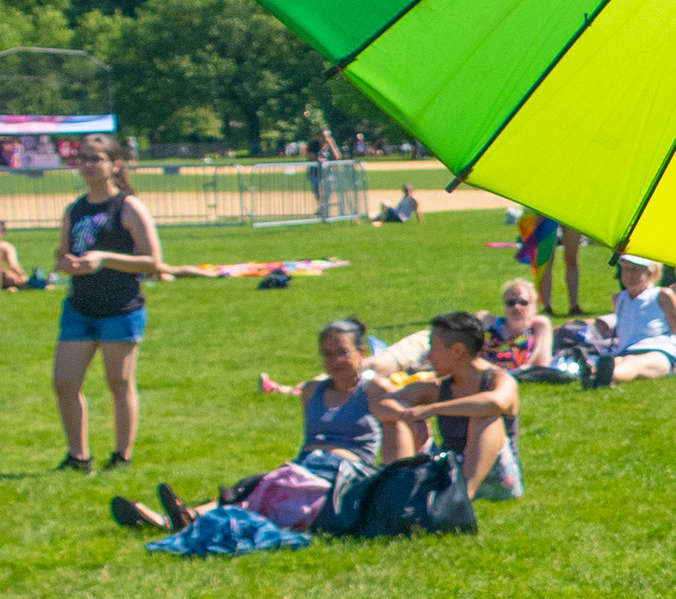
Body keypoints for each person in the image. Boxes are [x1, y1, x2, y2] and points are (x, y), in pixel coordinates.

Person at [114, 317, 382, 534]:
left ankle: (179, 518)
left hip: (342, 476)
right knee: (257, 488)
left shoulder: (373, 390)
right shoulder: (312, 391)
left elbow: (407, 423)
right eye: (327, 354)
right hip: (306, 467)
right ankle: (177, 518)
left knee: (258, 492)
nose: (335, 361)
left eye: (342, 353)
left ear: (361, 352)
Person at [53, 134, 164, 474]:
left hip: (120, 308)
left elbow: (152, 262)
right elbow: (60, 253)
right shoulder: (75, 209)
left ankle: (121, 456)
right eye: (82, 158)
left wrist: (104, 259)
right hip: (80, 307)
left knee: (119, 384)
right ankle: (78, 457)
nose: (87, 164)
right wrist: (65, 263)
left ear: (114, 164)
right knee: (65, 383)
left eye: (95, 158)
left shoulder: (128, 207)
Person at [372, 312, 522, 500]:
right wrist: (406, 415)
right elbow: (380, 404)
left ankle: (463, 497)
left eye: (433, 347)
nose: (428, 355)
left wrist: (433, 409)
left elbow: (495, 402)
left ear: (457, 350)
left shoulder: (499, 380)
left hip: (497, 476)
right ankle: (400, 495)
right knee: (396, 420)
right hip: (450, 468)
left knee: (485, 417)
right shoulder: (438, 387)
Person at [590, 255, 676, 383]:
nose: (629, 275)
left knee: (633, 363)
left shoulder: (662, 296)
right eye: (625, 269)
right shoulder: (619, 299)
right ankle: (594, 376)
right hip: (626, 351)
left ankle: (606, 377)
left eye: (634, 270)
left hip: (658, 351)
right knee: (617, 361)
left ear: (649, 272)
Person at [484, 277, 555, 373]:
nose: (516, 307)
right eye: (510, 303)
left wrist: (526, 367)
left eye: (523, 302)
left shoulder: (539, 325)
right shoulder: (490, 323)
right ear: (504, 306)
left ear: (534, 307)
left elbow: (541, 363)